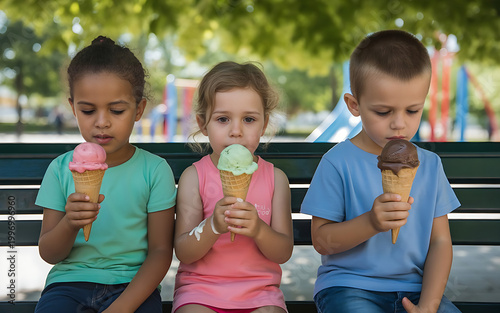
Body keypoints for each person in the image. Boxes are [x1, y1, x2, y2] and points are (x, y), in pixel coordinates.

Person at [301, 30, 461, 313]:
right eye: (384, 112)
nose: (399, 124)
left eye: (412, 110)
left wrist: (430, 304)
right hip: (349, 286)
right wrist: (372, 222)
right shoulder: (337, 163)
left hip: (415, 288)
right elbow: (322, 241)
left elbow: (439, 242)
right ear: (354, 106)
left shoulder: (431, 165)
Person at [35, 36, 176, 313]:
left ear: (139, 110)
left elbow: (160, 252)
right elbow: (49, 253)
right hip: (68, 284)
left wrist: (121, 308)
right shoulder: (60, 169)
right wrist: (70, 223)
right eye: (87, 110)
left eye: (117, 110)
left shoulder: (155, 170)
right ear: (73, 107)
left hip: (134, 287)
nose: (102, 121)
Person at [173, 61, 293, 313]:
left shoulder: (276, 179)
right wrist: (213, 225)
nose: (236, 131)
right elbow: (184, 251)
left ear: (264, 123)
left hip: (261, 294)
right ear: (203, 124)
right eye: (223, 119)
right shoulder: (194, 177)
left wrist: (259, 229)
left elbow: (282, 252)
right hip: (200, 291)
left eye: (249, 119)